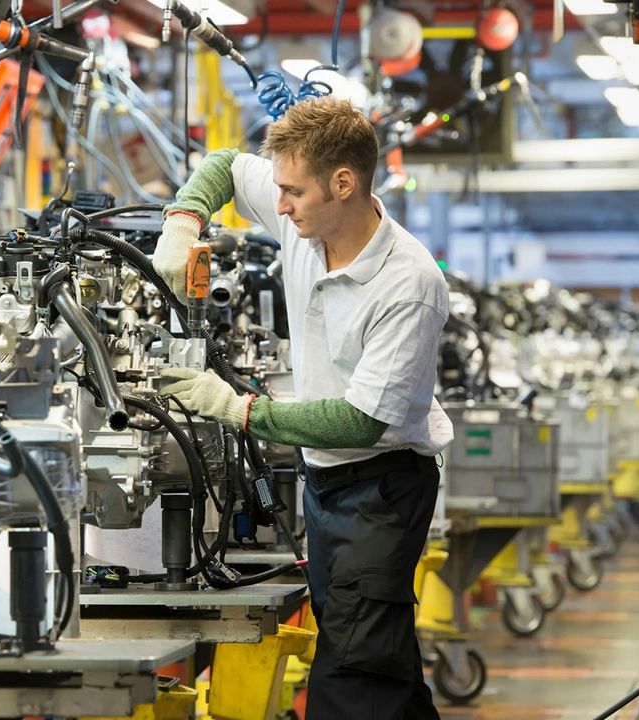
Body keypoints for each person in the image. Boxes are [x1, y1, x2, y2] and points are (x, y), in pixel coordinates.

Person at [156, 96, 453, 720]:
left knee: (353, 670)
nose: (279, 205)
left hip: (381, 490)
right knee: (379, 659)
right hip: (326, 483)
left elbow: (360, 421)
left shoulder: (409, 284)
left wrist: (238, 408)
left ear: (343, 183)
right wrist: (182, 221)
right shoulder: (307, 221)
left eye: (292, 192)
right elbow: (225, 167)